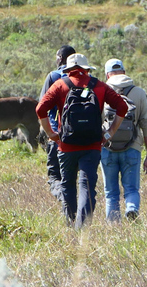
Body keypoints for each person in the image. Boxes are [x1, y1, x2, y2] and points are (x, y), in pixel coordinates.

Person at [36, 53, 128, 228]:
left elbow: (40, 109)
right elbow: (122, 107)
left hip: (66, 145)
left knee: (68, 185)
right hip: (92, 145)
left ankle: (71, 225)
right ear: (87, 69)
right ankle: (82, 228)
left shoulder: (60, 85)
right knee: (87, 186)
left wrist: (51, 134)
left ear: (68, 69)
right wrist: (109, 133)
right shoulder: (99, 86)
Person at [101, 58, 147, 222]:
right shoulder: (139, 92)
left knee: (111, 192)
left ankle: (113, 225)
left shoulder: (101, 92)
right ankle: (131, 209)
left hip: (107, 147)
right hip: (133, 147)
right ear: (124, 72)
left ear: (107, 75)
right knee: (131, 188)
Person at [39, 45, 76, 201]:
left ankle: (65, 200)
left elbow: (42, 106)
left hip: (57, 134)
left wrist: (48, 132)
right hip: (80, 135)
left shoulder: (53, 76)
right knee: (72, 176)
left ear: (60, 58)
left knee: (55, 176)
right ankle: (74, 205)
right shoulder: (85, 77)